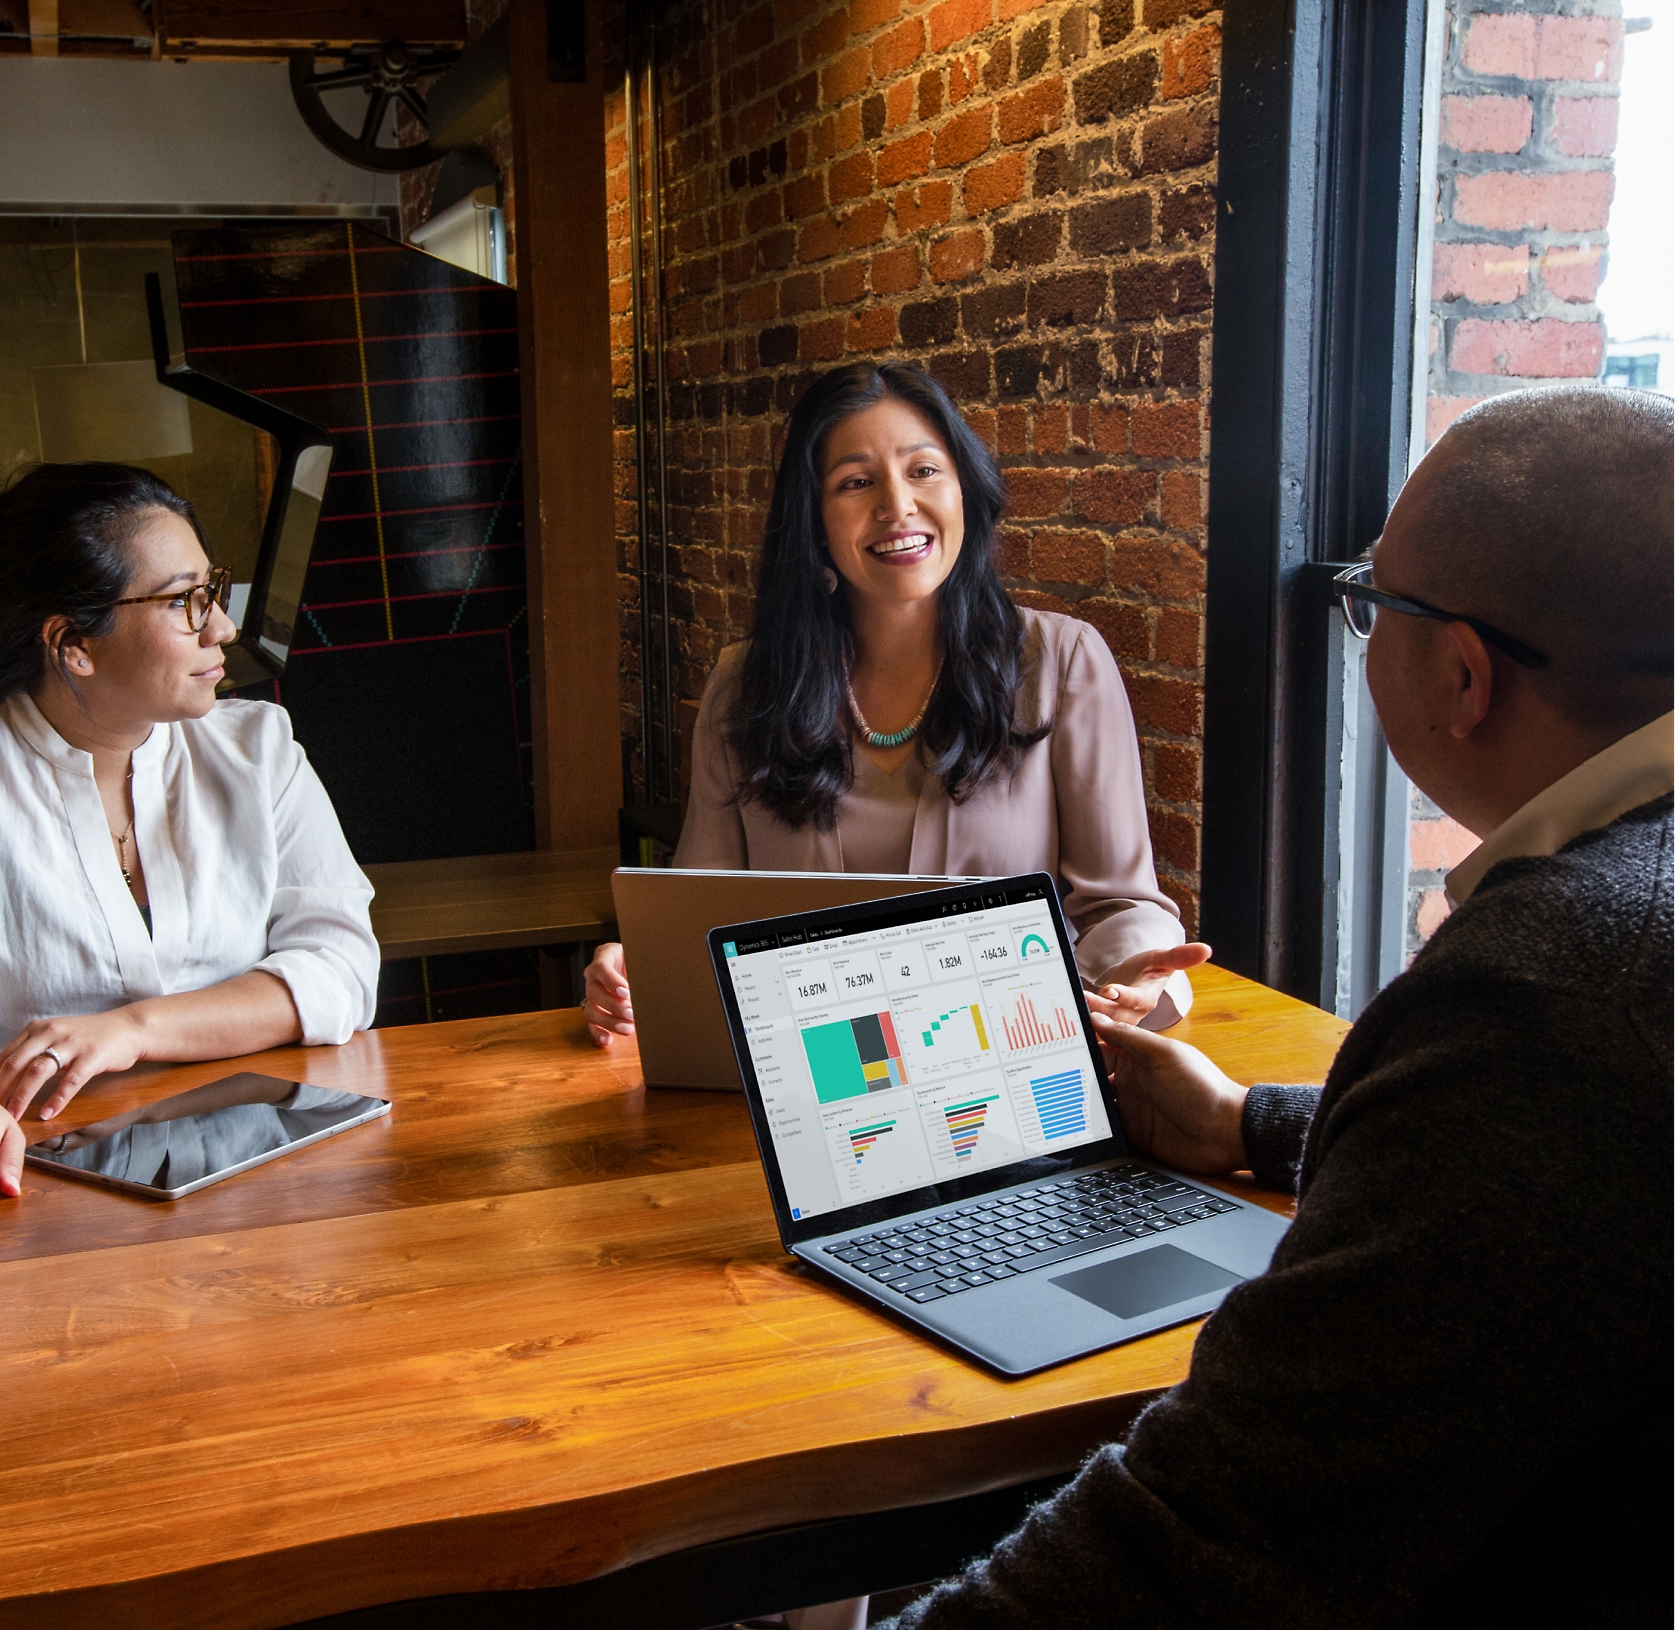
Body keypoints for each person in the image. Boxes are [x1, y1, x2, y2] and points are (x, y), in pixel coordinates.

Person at [877, 386, 1672, 1627]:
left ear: (1462, 673)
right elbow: (1570, 1166)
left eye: (1373, 604)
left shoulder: (1551, 984)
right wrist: (1254, 1124)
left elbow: (1210, 1539)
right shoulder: (1603, 978)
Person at [0, 463, 378, 1236]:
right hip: (23, 1183)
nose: (222, 629)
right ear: (72, 643)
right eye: (185, 602)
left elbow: (339, 968)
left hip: (262, 1168)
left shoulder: (258, 750)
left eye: (213, 590)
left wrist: (132, 1030)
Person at [583, 361, 1207, 1047]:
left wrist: (1138, 977)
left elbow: (1119, 902)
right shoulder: (744, 685)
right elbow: (695, 911)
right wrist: (637, 967)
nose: (896, 506)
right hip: (810, 1071)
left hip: (1007, 1061)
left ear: (964, 488)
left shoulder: (1059, 662)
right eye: (855, 482)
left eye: (922, 471)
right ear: (814, 521)